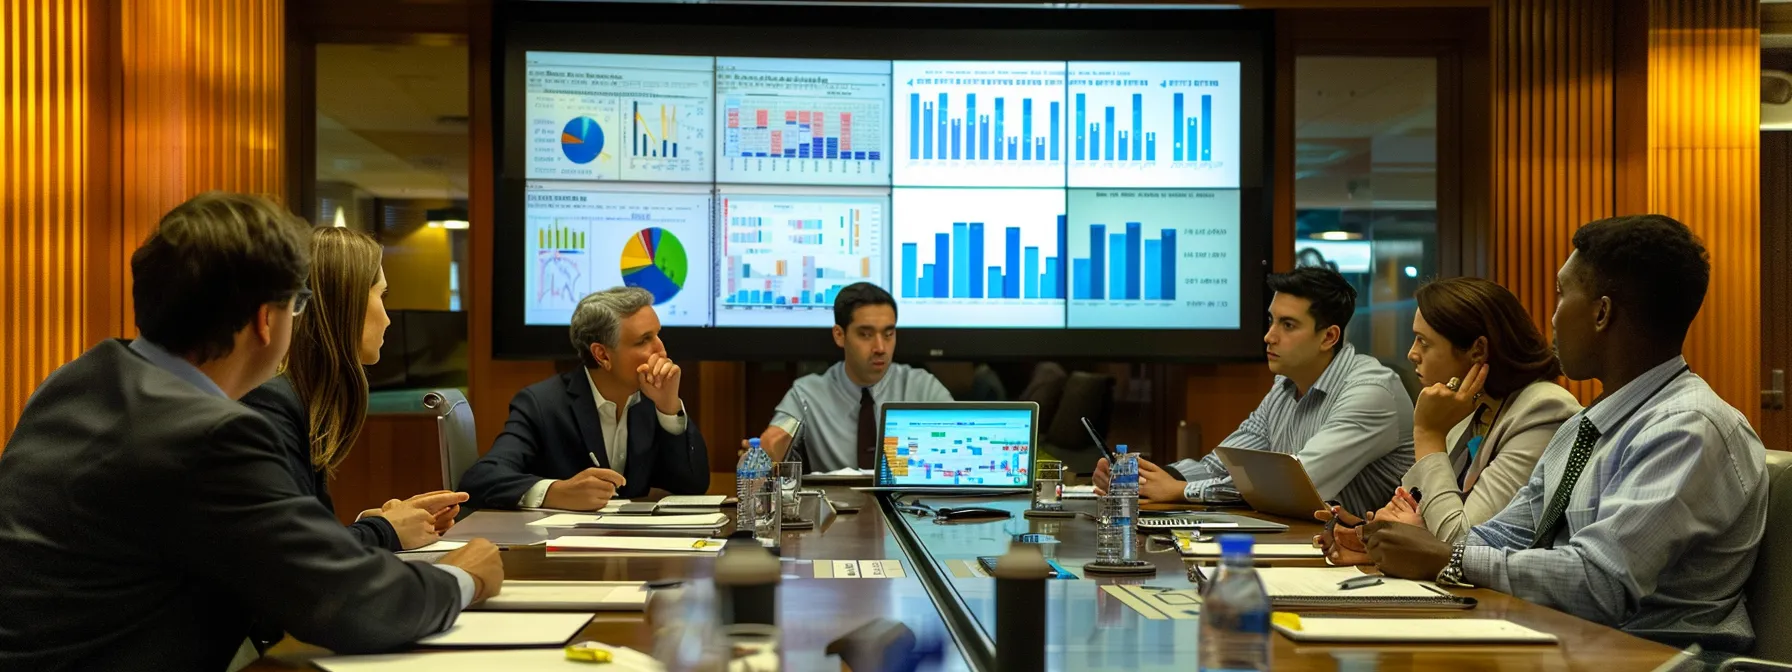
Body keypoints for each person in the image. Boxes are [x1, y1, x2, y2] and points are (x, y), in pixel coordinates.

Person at [0, 192, 503, 671]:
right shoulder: (212, 434)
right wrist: (463, 577)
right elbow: (346, 605)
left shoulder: (77, 381)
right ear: (267, 321)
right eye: (298, 306)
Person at [1364, 215, 1768, 652]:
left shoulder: (1686, 429)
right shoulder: (1587, 426)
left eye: (1561, 294)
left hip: (1655, 658)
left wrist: (1447, 557)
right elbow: (1498, 538)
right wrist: (1395, 546)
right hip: (1571, 644)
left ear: (1601, 313)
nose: (1552, 316)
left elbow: (1599, 585)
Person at [1094, 267, 1414, 516]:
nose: (1268, 336)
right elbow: (1225, 464)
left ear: (1329, 337)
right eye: (1272, 321)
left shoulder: (1370, 392)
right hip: (1311, 540)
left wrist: (1180, 491)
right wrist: (1146, 479)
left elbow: (1294, 486)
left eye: (1288, 325)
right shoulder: (1285, 385)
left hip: (1372, 561)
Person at [1312, 277, 1580, 565]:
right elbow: (1414, 513)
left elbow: (1461, 543)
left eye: (1424, 342)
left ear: (1477, 349)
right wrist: (1370, 535)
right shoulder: (1469, 404)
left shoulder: (1542, 409)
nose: (1411, 354)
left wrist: (1428, 435)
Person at [241, 227, 467, 552]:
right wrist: (384, 530)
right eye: (381, 295)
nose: (388, 319)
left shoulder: (298, 399)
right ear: (344, 303)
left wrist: (374, 524)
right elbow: (298, 556)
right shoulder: (270, 405)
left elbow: (307, 540)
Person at [461, 286, 709, 511]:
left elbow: (693, 485)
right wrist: (556, 492)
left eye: (657, 335)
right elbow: (482, 478)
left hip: (636, 546)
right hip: (556, 551)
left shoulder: (653, 400)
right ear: (602, 355)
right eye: (644, 340)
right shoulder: (543, 404)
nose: (661, 350)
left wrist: (668, 406)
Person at [750, 282, 953, 470]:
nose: (880, 347)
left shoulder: (923, 388)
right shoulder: (807, 395)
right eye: (866, 334)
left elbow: (960, 449)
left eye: (888, 334)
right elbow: (775, 440)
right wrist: (768, 451)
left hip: (911, 506)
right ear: (839, 335)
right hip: (838, 508)